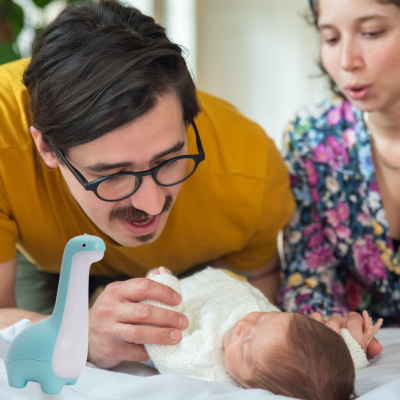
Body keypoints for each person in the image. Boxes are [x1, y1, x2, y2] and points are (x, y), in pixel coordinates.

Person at [0, 0, 295, 369]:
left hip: (191, 270)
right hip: (50, 263)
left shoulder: (251, 168)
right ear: (46, 147)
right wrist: (78, 331)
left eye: (168, 161)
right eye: (114, 173)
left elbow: (263, 282)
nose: (152, 205)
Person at [281, 0, 400, 331]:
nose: (347, 61)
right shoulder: (312, 137)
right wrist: (330, 322)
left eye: (372, 33)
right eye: (331, 39)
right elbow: (306, 275)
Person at [142, 267, 382, 400]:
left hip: (184, 295)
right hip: (225, 281)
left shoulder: (206, 368)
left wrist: (161, 288)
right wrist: (353, 345)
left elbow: (166, 348)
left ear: (253, 390)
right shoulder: (279, 341)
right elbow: (325, 363)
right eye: (263, 319)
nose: (243, 326)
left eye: (245, 347)